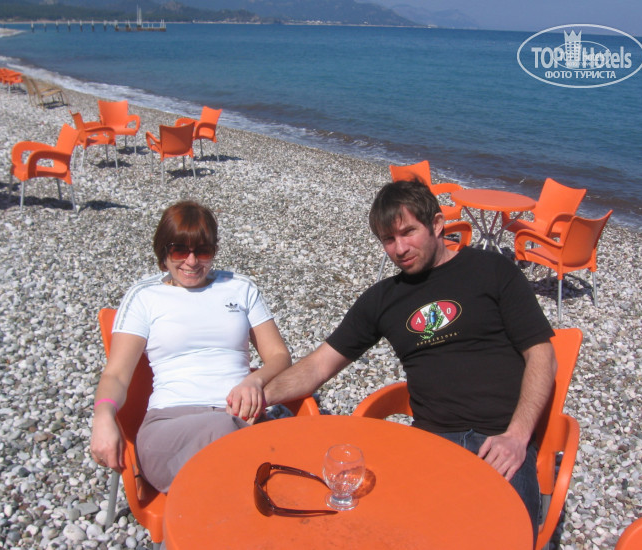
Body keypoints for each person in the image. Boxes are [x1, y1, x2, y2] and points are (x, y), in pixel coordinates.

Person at [263, 180, 556, 540]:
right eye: (388, 239)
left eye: (408, 232)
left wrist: (517, 436)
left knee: (504, 536)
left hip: (500, 440)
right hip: (431, 441)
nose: (399, 249)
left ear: (437, 224)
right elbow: (318, 366)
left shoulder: (493, 271)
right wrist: (261, 394)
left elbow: (541, 354)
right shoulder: (383, 300)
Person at [90, 201, 291, 493]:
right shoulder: (144, 297)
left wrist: (254, 380)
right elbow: (116, 375)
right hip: (170, 424)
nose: (192, 261)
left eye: (203, 251)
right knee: (230, 435)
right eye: (179, 251)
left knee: (232, 453)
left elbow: (279, 355)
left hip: (239, 415)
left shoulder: (240, 288)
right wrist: (103, 416)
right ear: (163, 252)